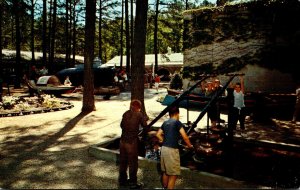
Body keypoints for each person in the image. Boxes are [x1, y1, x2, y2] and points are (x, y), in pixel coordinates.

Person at [156, 106, 193, 189]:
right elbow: (185, 137)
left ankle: (164, 188)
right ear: (177, 113)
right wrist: (190, 146)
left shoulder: (165, 122)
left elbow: (158, 134)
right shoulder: (177, 122)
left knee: (165, 172)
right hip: (171, 150)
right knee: (173, 175)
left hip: (164, 149)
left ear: (169, 114)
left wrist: (163, 140)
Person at [119, 99, 148, 189]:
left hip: (122, 141)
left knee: (123, 162)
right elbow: (145, 127)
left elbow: (121, 125)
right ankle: (132, 183)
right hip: (131, 142)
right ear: (139, 107)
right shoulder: (139, 114)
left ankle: (122, 181)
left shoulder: (125, 113)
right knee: (133, 163)